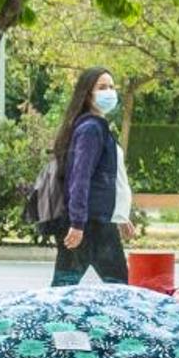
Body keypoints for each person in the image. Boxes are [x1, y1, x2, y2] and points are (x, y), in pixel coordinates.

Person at [50, 67, 132, 286]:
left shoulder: (98, 126)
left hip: (97, 220)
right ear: (88, 94)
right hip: (90, 222)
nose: (109, 92)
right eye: (102, 87)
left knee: (64, 286)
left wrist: (121, 215)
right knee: (118, 287)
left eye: (112, 87)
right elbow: (80, 177)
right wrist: (77, 223)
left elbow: (110, 179)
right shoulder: (91, 129)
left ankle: (55, 319)